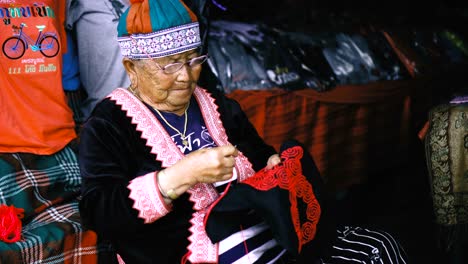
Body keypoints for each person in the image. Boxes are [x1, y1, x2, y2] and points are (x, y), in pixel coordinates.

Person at [78, 0, 409, 263]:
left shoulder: (213, 102)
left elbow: (256, 148)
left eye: (194, 60)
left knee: (378, 246)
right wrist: (179, 176)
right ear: (131, 68)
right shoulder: (109, 125)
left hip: (258, 225)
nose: (185, 76)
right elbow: (98, 211)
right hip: (184, 250)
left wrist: (272, 163)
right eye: (170, 65)